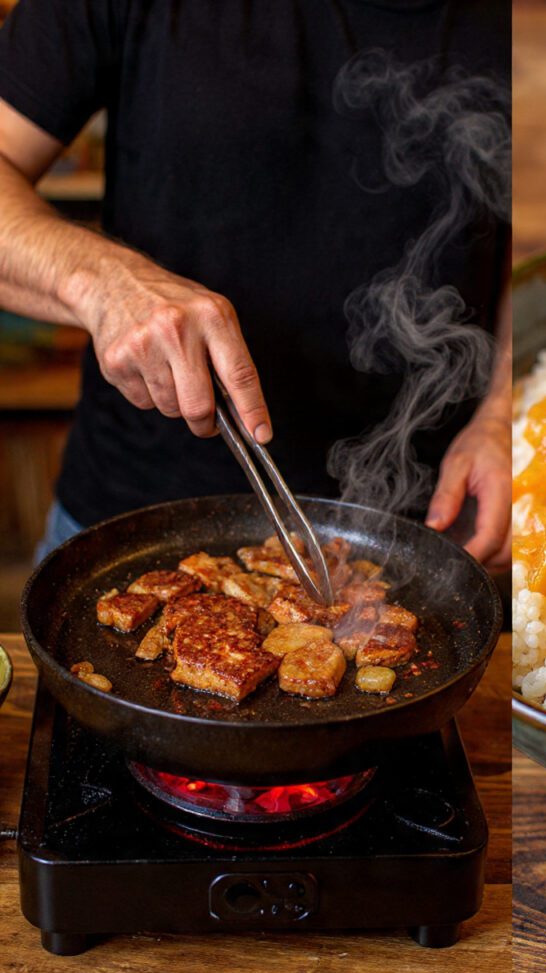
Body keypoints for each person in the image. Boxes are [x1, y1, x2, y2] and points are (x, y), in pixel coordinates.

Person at [0, 0, 511, 572]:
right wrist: (104, 283)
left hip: (435, 528)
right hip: (134, 519)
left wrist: (506, 412)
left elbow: (540, 243)